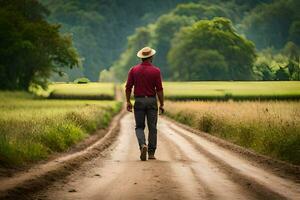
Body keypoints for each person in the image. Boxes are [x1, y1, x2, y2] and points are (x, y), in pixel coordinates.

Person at [125, 47, 164, 161]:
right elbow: (159, 89)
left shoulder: (133, 70)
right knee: (152, 128)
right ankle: (151, 153)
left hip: (139, 101)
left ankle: (143, 145)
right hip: (152, 101)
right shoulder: (156, 71)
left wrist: (128, 101)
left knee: (139, 127)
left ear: (141, 57)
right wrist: (161, 104)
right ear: (151, 57)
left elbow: (128, 87)